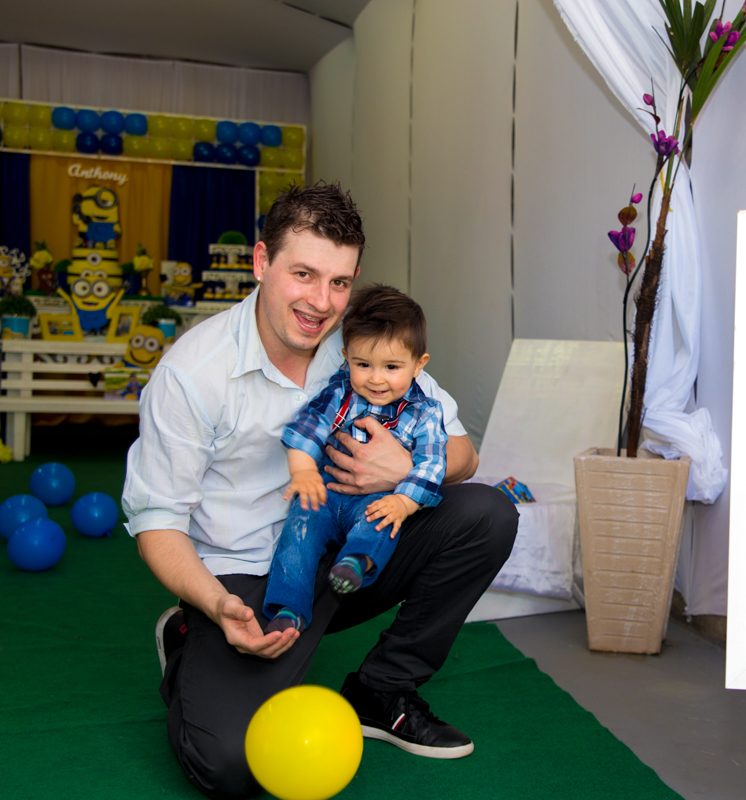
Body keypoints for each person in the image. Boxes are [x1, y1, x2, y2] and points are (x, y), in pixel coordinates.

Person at [122, 184, 517, 800]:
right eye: (303, 274)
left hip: (357, 551)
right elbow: (157, 523)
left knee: (486, 512)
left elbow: (463, 452)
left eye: (339, 282)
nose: (321, 303)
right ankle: (188, 637)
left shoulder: (366, 344)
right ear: (261, 263)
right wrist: (215, 603)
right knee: (231, 765)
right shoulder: (191, 374)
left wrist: (403, 468)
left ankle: (381, 689)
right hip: (251, 579)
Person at [264, 285, 447, 634]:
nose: (376, 378)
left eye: (391, 366)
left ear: (418, 364)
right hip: (327, 492)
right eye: (363, 364)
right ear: (347, 358)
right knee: (297, 534)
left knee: (380, 522)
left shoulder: (425, 412)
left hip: (378, 497)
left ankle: (355, 562)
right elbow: (309, 426)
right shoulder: (340, 392)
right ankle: (288, 609)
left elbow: (433, 462)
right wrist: (303, 470)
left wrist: (405, 501)